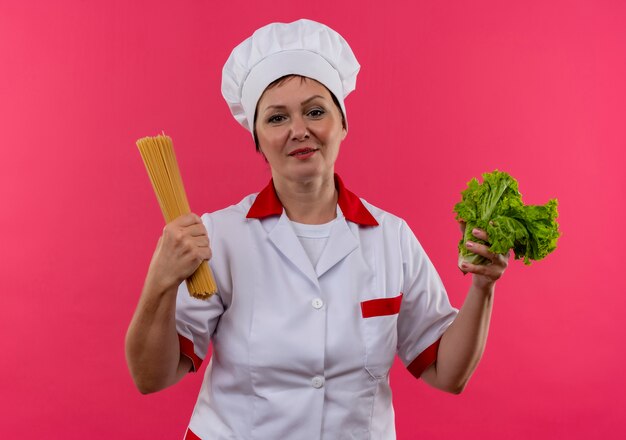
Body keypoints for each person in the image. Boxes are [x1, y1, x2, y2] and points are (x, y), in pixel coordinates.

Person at [125, 19, 509, 439]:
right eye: (276, 118)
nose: (298, 130)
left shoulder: (391, 237)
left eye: (314, 111)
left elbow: (445, 371)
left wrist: (482, 287)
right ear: (256, 139)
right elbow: (152, 377)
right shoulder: (220, 238)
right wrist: (159, 282)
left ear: (342, 123)